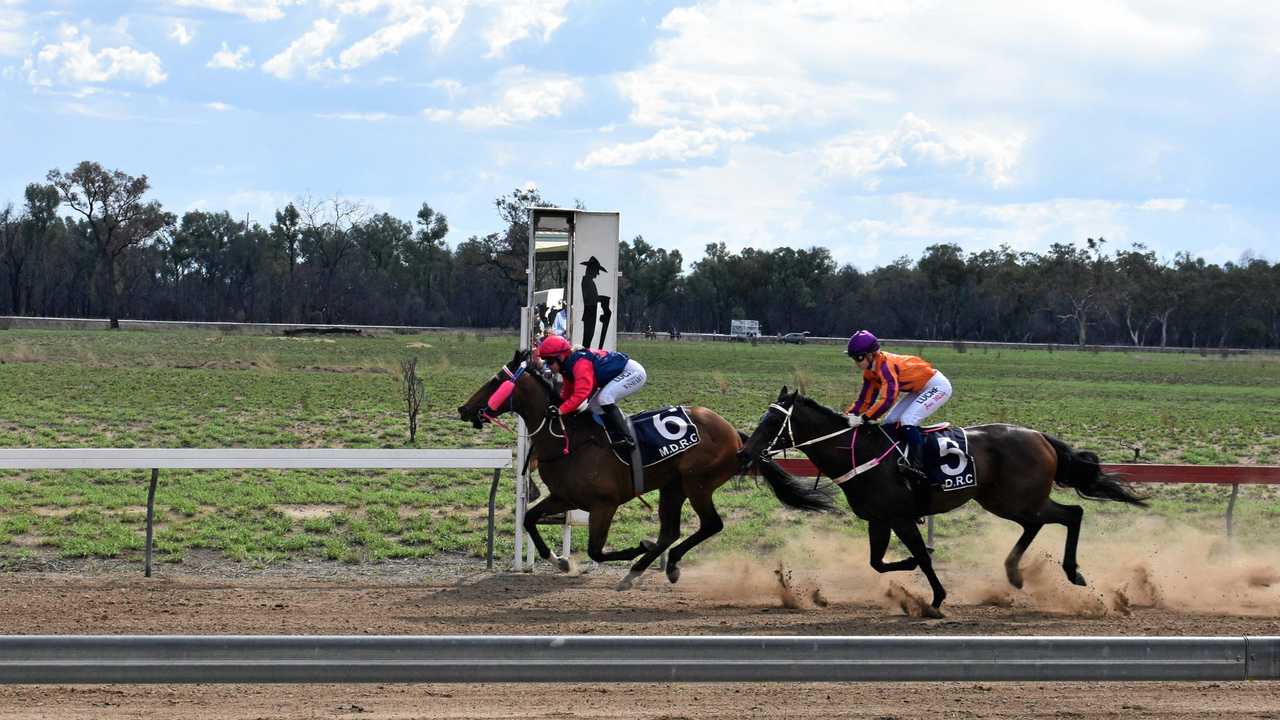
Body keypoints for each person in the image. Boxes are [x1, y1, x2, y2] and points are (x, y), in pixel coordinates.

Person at [845, 330, 952, 479]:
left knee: (907, 420)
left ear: (871, 355)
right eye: (854, 358)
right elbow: (865, 400)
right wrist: (849, 415)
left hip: (937, 386)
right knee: (890, 421)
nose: (856, 362)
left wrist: (864, 418)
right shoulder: (870, 372)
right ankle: (897, 457)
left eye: (858, 357)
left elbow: (888, 399)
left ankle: (920, 466)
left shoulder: (885, 367)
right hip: (919, 388)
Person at [536, 334, 646, 452]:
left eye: (550, 361)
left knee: (605, 398)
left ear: (561, 357)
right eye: (546, 362)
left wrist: (560, 410)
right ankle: (613, 435)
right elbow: (568, 392)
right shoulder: (566, 367)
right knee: (594, 406)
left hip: (633, 372)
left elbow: (581, 393)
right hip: (624, 372)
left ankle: (628, 438)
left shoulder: (580, 363)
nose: (548, 366)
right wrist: (557, 405)